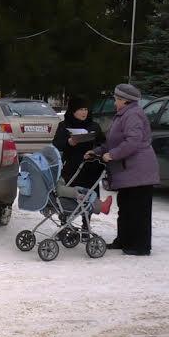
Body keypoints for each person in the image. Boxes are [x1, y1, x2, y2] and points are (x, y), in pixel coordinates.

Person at [85, 84, 159, 256]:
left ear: (125, 100)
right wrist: (97, 152)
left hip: (139, 170)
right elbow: (113, 141)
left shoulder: (133, 115)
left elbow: (133, 142)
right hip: (128, 170)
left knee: (138, 210)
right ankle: (124, 240)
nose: (114, 102)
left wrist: (112, 155)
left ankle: (140, 246)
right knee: (125, 207)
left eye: (116, 99)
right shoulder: (123, 115)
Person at [52, 95, 108, 237]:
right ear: (73, 110)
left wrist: (95, 151)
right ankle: (65, 225)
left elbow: (103, 143)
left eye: (86, 109)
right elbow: (56, 144)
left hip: (90, 167)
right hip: (71, 167)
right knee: (68, 196)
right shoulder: (64, 125)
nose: (84, 112)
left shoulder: (94, 126)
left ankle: (86, 225)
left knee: (88, 196)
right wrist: (69, 142)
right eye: (80, 109)